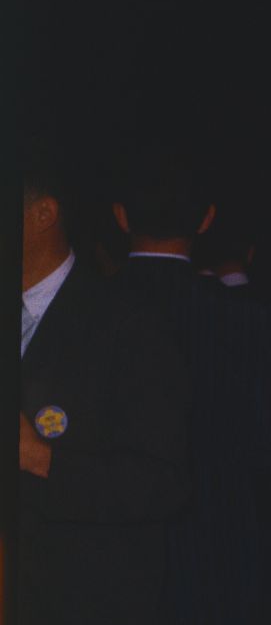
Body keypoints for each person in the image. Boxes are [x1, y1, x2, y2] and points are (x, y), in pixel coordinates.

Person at [112, 147, 271, 624]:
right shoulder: (242, 318)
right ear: (207, 220)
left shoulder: (88, 313)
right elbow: (265, 444)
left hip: (111, 548)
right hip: (220, 545)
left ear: (121, 216)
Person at [18, 137, 190, 625]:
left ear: (43, 214)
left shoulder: (127, 321)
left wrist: (43, 459)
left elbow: (164, 483)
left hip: (79, 599)